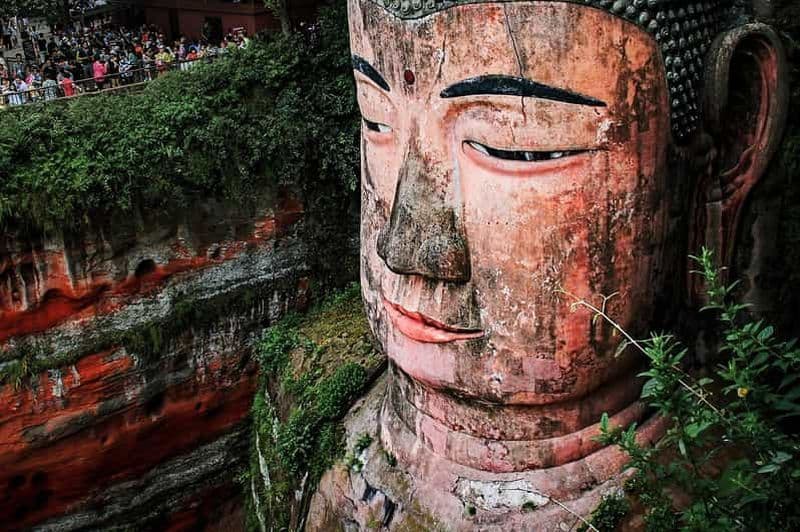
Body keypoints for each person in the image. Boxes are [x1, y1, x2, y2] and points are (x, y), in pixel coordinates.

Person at [307, 0, 791, 529]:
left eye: (517, 149)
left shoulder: (732, 502)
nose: (406, 248)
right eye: (375, 119)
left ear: (728, 151)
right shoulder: (327, 424)